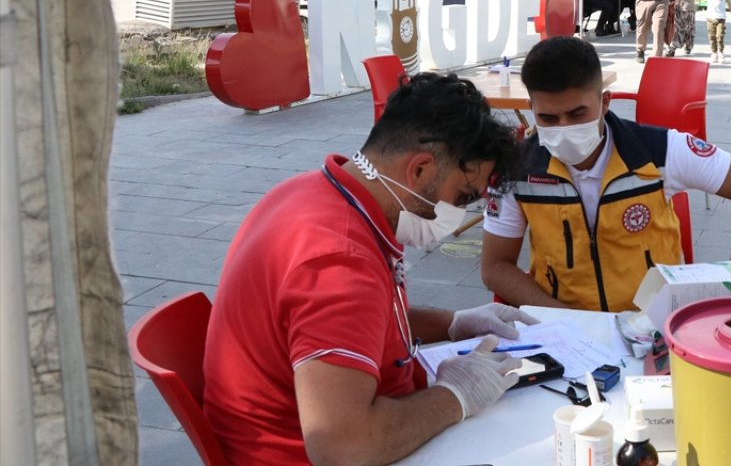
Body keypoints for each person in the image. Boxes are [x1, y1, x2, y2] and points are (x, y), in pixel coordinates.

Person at [204, 72, 541, 465]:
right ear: (419, 170)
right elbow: (343, 446)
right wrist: (455, 396)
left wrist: (453, 323)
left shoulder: (315, 193)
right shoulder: (340, 261)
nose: (459, 213)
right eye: (462, 196)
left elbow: (352, 324)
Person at [480, 37, 731, 312]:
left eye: (577, 114)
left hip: (652, 323)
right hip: (566, 326)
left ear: (605, 102)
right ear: (531, 108)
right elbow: (495, 267)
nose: (564, 128)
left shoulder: (658, 150)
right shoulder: (516, 170)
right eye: (547, 117)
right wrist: (563, 318)